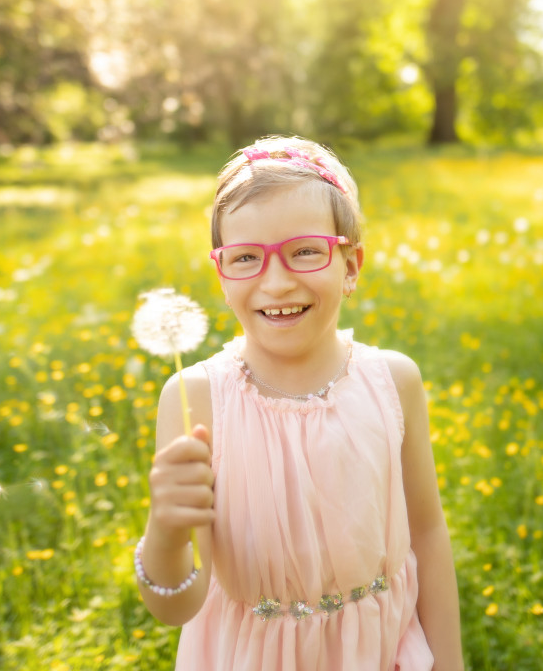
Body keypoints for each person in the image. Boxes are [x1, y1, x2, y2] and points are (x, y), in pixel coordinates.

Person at [136, 135, 463, 669]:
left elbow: (427, 533)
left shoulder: (394, 381)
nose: (277, 281)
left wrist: (449, 661)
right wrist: (166, 534)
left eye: (305, 251)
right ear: (221, 274)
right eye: (247, 257)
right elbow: (176, 608)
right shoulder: (195, 399)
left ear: (351, 265)